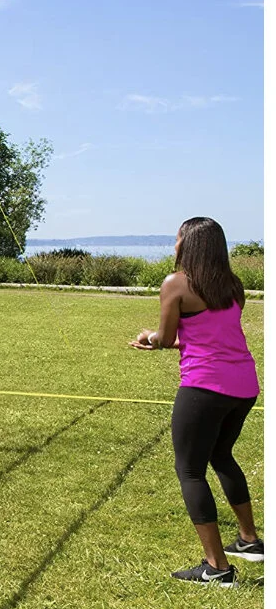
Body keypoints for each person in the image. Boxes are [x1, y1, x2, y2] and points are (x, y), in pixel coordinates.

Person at [129, 216, 263, 587]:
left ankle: (217, 567)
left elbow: (168, 336)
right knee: (221, 455)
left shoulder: (176, 284)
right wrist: (163, 338)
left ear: (188, 245)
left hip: (205, 387)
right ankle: (249, 541)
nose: (173, 245)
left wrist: (149, 337)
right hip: (244, 386)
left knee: (190, 470)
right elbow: (205, 336)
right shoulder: (233, 286)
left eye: (176, 239)